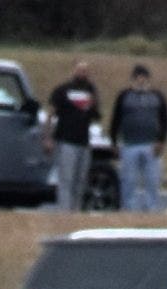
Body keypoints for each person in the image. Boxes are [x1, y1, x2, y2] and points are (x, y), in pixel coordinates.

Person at [44, 59, 103, 213]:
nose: (83, 73)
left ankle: (75, 212)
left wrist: (95, 100)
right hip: (65, 140)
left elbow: (96, 116)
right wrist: (48, 137)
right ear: (74, 71)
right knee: (66, 179)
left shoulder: (91, 92)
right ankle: (64, 212)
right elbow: (50, 114)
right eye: (80, 70)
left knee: (80, 180)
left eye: (85, 71)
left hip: (83, 142)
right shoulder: (62, 90)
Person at [111, 63, 167, 214]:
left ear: (148, 79)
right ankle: (128, 208)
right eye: (138, 77)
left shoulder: (157, 96)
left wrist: (161, 140)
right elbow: (115, 119)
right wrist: (114, 141)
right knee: (129, 180)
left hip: (151, 145)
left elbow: (165, 120)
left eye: (143, 77)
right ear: (133, 79)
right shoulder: (124, 96)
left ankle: (151, 209)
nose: (141, 80)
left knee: (152, 180)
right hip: (130, 144)